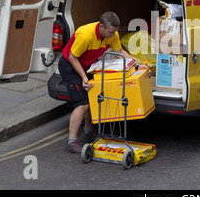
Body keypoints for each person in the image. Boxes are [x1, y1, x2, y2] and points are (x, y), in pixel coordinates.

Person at [59, 11, 149, 154]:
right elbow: (72, 57)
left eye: (114, 32)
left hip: (87, 65)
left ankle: (88, 132)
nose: (113, 36)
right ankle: (72, 141)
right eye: (110, 32)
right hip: (70, 65)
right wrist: (84, 78)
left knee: (92, 98)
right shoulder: (85, 35)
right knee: (82, 103)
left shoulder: (112, 34)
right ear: (101, 26)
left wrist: (137, 65)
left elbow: (120, 52)